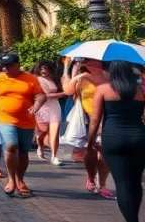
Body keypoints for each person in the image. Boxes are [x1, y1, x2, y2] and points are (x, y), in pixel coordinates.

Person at [88, 61, 145, 222]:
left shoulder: (103, 90)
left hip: (113, 138)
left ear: (112, 72)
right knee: (135, 182)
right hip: (139, 138)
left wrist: (90, 140)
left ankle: (132, 220)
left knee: (122, 183)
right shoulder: (141, 90)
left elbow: (95, 119)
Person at [0, 53, 46, 198]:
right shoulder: (0, 78)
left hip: (26, 121)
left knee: (23, 152)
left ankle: (20, 179)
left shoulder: (30, 78)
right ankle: (11, 180)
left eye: (8, 65)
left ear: (17, 65)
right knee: (11, 145)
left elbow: (41, 95)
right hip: (6, 119)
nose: (5, 68)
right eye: (3, 65)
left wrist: (37, 105)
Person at [64, 58, 113, 197]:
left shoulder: (110, 77)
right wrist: (76, 77)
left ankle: (102, 184)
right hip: (87, 118)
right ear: (85, 64)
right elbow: (68, 91)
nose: (94, 66)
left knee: (104, 152)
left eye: (97, 63)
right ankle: (91, 177)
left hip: (107, 117)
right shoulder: (82, 78)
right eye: (90, 63)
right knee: (89, 150)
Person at [33, 60, 63, 166]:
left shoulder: (53, 79)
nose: (44, 70)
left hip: (55, 106)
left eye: (46, 68)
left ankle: (54, 156)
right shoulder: (37, 80)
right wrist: (63, 93)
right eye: (42, 68)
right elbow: (46, 95)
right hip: (42, 107)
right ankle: (40, 145)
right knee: (42, 132)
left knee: (54, 133)